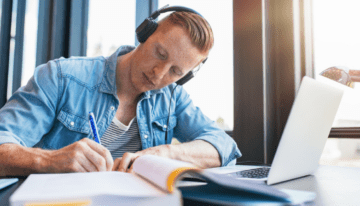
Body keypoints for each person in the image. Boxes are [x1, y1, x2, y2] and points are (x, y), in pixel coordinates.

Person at [0, 8, 241, 176]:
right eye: (160, 53)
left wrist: (164, 153)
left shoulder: (172, 98)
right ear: (145, 33)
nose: (159, 73)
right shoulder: (60, 77)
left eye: (175, 71)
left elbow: (223, 146)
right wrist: (49, 160)